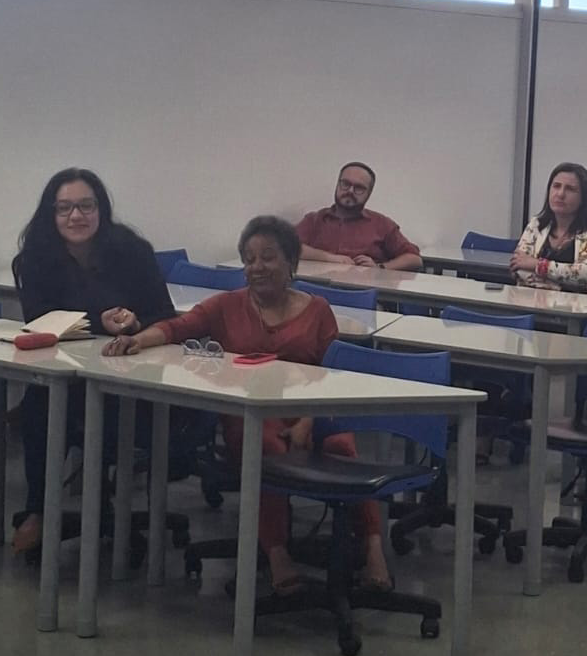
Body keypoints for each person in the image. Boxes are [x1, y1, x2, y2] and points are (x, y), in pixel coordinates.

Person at [103, 215, 390, 594]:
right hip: (250, 414)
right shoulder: (226, 306)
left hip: (312, 410)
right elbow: (176, 328)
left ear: (291, 262)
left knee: (341, 446)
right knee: (265, 448)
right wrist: (138, 340)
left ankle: (373, 548)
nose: (257, 267)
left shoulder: (318, 310)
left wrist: (306, 421)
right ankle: (277, 554)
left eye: (268, 257)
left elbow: (332, 375)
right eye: (250, 259)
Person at [11, 168, 173, 554]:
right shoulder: (35, 258)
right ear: (51, 214)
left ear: (101, 210)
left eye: (86, 206)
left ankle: (77, 510)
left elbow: (166, 315)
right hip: (67, 373)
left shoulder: (132, 251)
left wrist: (134, 324)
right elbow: (39, 318)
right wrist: (97, 322)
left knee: (83, 410)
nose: (76, 216)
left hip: (130, 376)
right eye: (64, 208)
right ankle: (39, 509)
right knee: (39, 405)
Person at [296, 162, 422, 270]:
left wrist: (380, 267)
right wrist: (330, 258)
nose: (350, 191)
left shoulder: (382, 224)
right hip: (314, 287)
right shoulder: (314, 220)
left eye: (359, 188)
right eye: (345, 184)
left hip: (361, 289)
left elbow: (414, 259)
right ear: (337, 185)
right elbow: (289, 247)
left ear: (369, 193)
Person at [512, 163, 587, 291]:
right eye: (556, 186)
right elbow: (518, 266)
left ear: (584, 198)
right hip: (530, 300)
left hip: (576, 303)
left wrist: (538, 265)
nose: (561, 194)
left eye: (570, 189)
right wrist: (557, 286)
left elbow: (585, 274)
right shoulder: (536, 225)